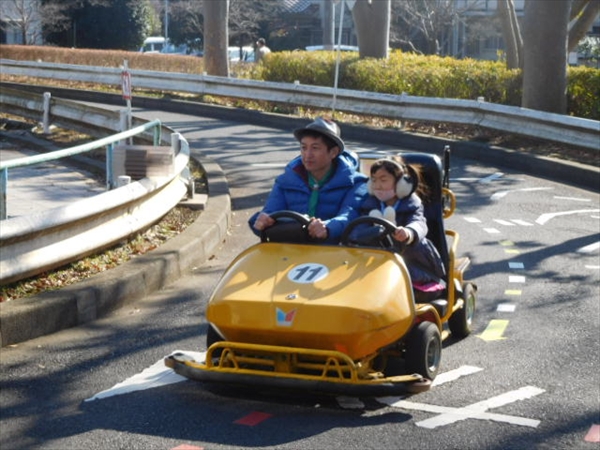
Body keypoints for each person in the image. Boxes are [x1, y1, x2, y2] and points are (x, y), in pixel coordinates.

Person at [249, 117, 368, 244]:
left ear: (333, 152)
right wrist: (262, 221)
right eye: (304, 148)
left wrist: (327, 228)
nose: (307, 155)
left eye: (315, 148)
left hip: (334, 254)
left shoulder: (356, 183)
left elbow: (350, 216)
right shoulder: (285, 181)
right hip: (290, 252)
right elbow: (271, 212)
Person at [359, 157, 446, 300]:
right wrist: (369, 233)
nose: (377, 185)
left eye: (383, 180)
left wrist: (409, 232)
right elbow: (357, 228)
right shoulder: (368, 204)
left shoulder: (412, 204)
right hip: (377, 258)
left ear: (400, 184)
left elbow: (419, 222)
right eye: (374, 180)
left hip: (411, 258)